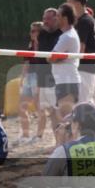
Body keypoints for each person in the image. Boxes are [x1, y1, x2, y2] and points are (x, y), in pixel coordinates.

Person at [30, 8, 61, 145]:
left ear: (56, 19)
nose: (45, 21)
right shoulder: (42, 34)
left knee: (56, 111)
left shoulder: (61, 34)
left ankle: (60, 141)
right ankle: (56, 140)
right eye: (44, 18)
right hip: (42, 77)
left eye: (48, 18)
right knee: (47, 110)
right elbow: (37, 56)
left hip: (54, 78)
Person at [66, 0, 95, 105]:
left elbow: (80, 49)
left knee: (82, 103)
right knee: (85, 102)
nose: (66, 5)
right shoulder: (84, 20)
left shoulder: (84, 21)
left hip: (84, 68)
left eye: (69, 2)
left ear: (77, 3)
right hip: (86, 68)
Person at [51, 3, 82, 118]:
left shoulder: (67, 36)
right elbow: (54, 58)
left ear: (65, 18)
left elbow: (51, 57)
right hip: (65, 81)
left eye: (58, 16)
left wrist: (54, 58)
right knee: (62, 118)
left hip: (67, 82)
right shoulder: (68, 35)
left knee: (66, 120)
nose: (56, 18)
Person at [17, 22, 42, 145]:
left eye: (34, 31)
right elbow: (26, 62)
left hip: (39, 77)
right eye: (31, 31)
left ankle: (39, 135)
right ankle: (25, 134)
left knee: (39, 107)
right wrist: (22, 78)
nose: (31, 33)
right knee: (22, 106)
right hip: (30, 77)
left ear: (40, 32)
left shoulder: (43, 44)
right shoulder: (30, 44)